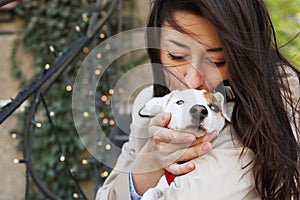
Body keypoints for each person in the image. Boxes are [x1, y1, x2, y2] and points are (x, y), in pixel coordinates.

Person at [96, 0, 300, 199]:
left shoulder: (280, 102)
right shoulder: (149, 103)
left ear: (246, 56)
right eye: (176, 56)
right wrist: (148, 165)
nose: (192, 82)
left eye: (217, 61)